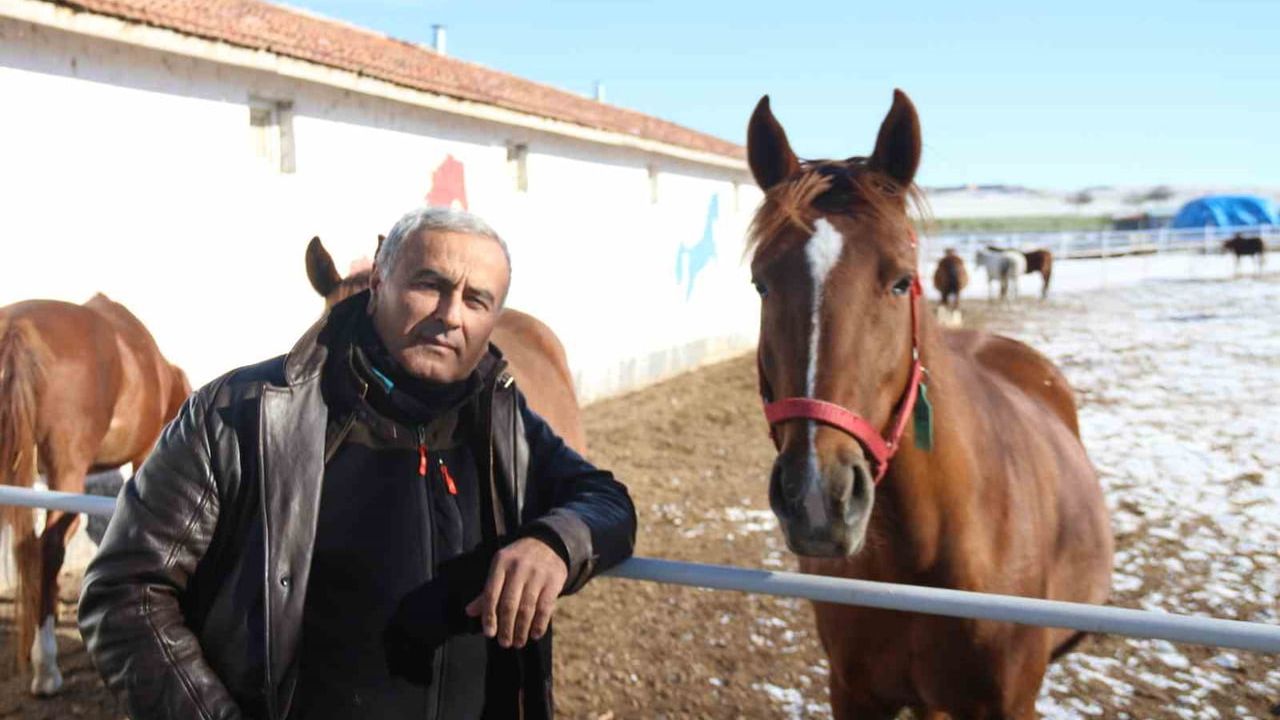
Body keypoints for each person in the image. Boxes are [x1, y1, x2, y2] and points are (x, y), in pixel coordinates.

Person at [78, 207, 637, 719]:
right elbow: (125, 591)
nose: (450, 316)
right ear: (376, 285)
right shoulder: (239, 415)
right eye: (429, 285)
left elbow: (608, 501)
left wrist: (555, 542)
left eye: (476, 300)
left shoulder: (503, 418)